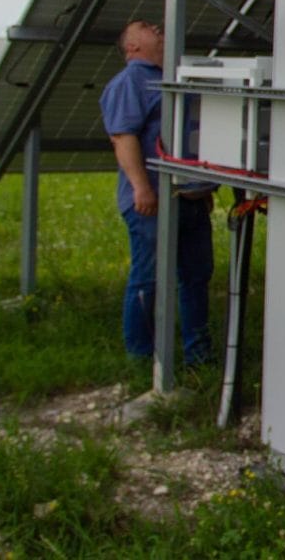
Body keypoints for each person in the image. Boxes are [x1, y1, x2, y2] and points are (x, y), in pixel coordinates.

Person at [99, 19, 215, 366]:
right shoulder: (129, 83)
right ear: (132, 46)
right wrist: (141, 188)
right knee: (148, 278)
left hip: (190, 199)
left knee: (196, 277)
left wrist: (202, 187)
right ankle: (141, 356)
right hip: (152, 201)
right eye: (147, 28)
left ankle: (199, 354)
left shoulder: (178, 80)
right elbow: (123, 137)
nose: (160, 29)